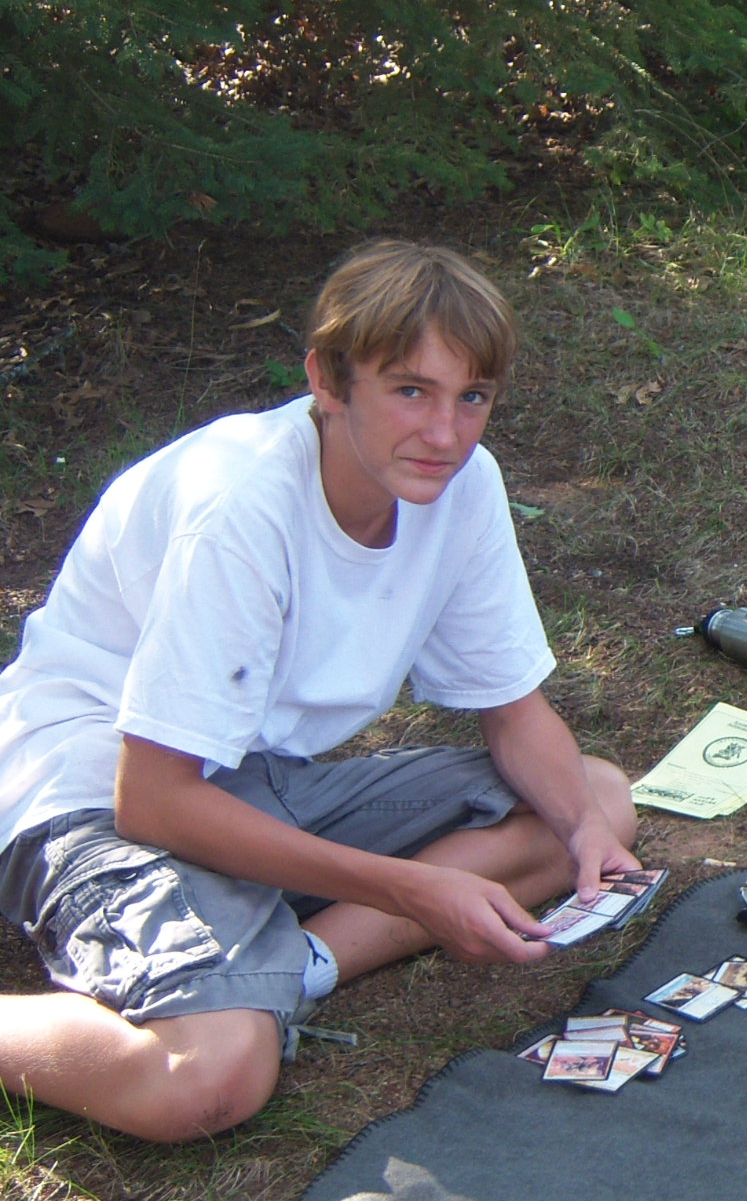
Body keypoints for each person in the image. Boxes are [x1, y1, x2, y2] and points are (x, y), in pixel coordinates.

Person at [0, 240, 641, 1143]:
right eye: (410, 390)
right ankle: (236, 994)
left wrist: (582, 834)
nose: (446, 434)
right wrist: (409, 890)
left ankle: (291, 967)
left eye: (473, 397)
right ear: (328, 382)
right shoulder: (241, 506)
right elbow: (151, 801)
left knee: (599, 801)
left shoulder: (464, 484)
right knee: (207, 1082)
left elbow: (513, 710)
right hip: (91, 793)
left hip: (250, 775)